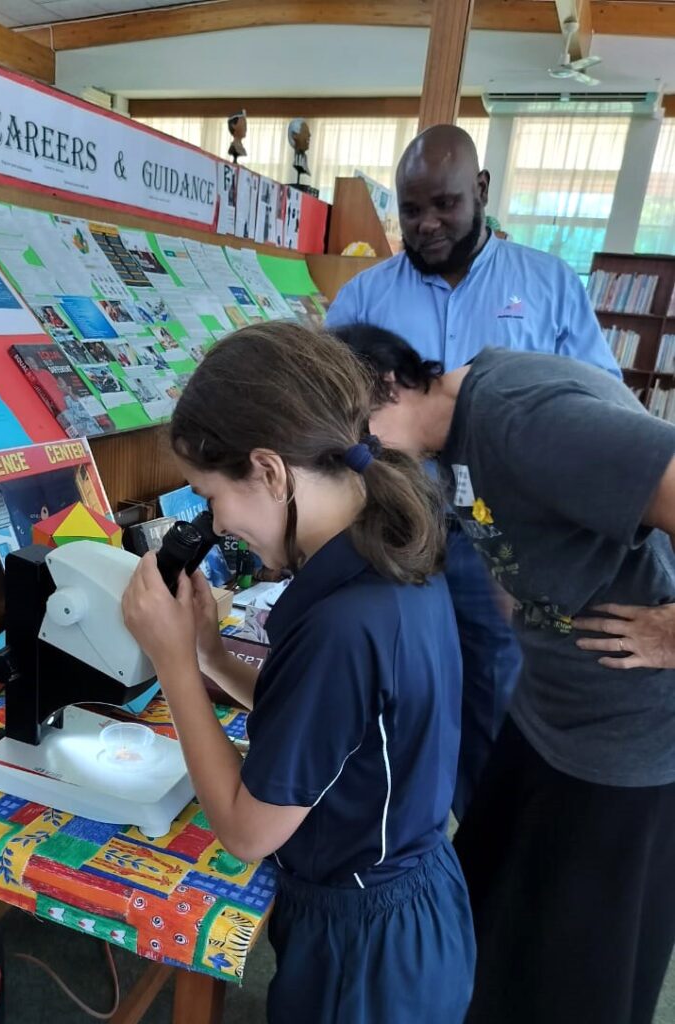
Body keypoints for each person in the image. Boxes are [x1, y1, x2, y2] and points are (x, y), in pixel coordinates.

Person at [122, 322, 475, 1024]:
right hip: (409, 903)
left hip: (368, 950)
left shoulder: (344, 623)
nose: (217, 525)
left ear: (271, 470)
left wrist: (171, 667)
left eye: (210, 496)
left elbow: (249, 832)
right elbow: (334, 729)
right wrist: (210, 656)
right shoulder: (386, 547)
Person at [340, 328, 675, 1024]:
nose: (353, 461)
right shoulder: (459, 421)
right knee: (494, 912)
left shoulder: (522, 417)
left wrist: (672, 631)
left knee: (575, 966)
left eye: (350, 436)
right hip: (549, 708)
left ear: (389, 385)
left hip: (624, 734)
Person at [327, 124, 622, 820]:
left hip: (498, 544)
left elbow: (600, 405)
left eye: (445, 205)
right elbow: (326, 411)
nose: (426, 225)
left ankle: (482, 836)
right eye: (410, 210)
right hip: (393, 533)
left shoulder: (546, 283)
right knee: (400, 688)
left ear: (481, 190)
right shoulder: (364, 298)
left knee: (493, 691)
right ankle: (410, 827)